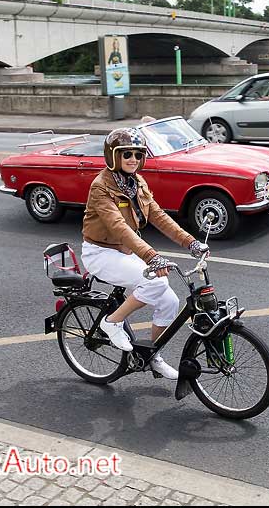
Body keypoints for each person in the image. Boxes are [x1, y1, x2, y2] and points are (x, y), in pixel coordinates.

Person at [81, 127, 208, 380]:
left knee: (170, 302)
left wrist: (190, 242)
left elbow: (158, 216)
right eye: (126, 154)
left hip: (125, 251)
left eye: (138, 155)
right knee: (157, 280)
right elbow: (118, 227)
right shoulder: (101, 187)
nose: (133, 160)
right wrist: (151, 256)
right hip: (100, 252)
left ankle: (153, 356)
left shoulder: (137, 182)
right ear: (113, 156)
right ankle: (111, 322)